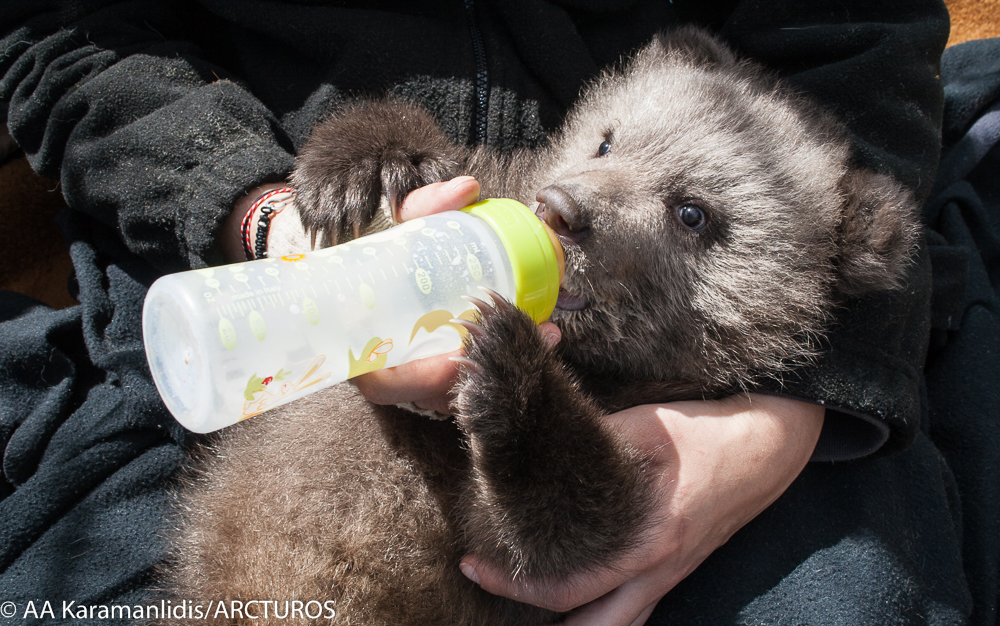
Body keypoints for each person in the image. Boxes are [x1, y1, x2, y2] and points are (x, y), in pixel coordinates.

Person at [0, 1, 974, 624]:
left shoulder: (717, 332)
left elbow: (864, 40)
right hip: (224, 318)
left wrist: (799, 406)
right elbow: (60, 35)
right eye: (599, 147)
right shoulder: (510, 189)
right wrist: (276, 211)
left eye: (691, 217)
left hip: (710, 433)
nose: (578, 193)